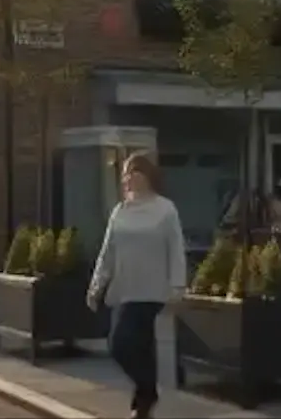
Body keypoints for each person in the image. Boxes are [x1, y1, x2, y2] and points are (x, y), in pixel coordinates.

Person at [87, 152, 186, 419]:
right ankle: (146, 393)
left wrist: (178, 286)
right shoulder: (120, 212)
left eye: (134, 172)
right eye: (126, 174)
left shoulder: (165, 210)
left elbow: (176, 249)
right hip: (125, 290)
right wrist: (96, 286)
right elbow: (108, 253)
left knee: (131, 344)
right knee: (123, 345)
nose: (129, 178)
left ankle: (144, 399)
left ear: (148, 176)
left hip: (154, 292)